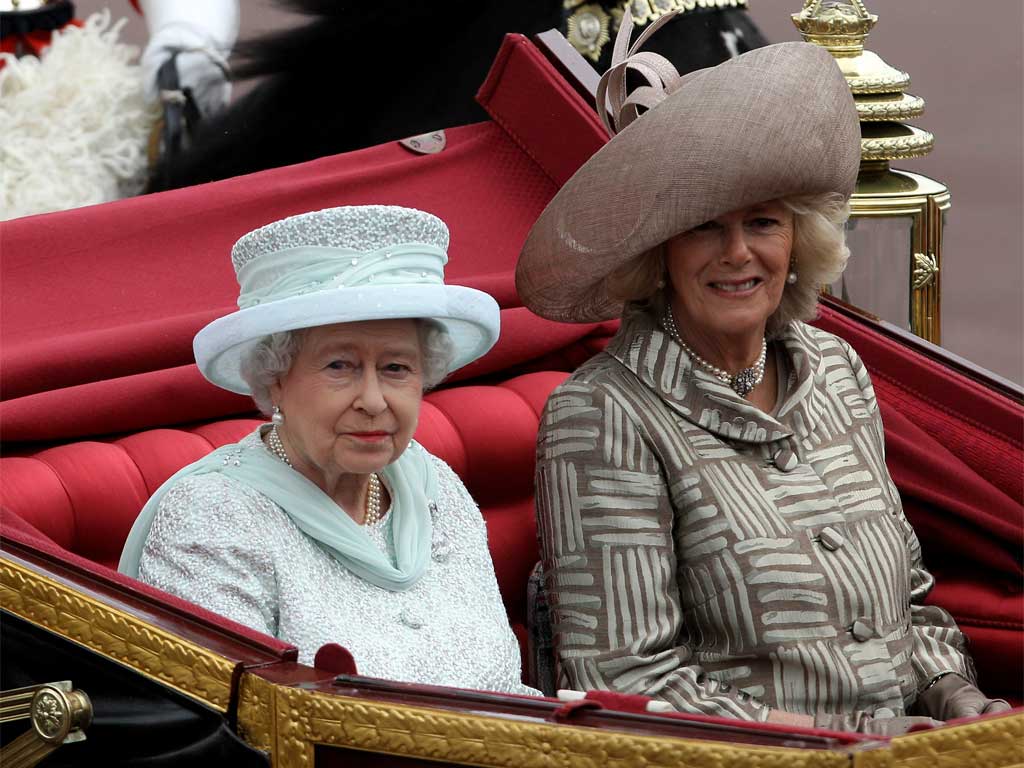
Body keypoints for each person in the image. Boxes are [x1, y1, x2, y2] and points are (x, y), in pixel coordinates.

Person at [515, 14, 1009, 733]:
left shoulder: (837, 370)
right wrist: (853, 743)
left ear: (799, 240)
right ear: (657, 254)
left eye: (764, 223)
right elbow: (628, 683)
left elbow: (907, 604)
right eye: (705, 226)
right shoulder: (602, 416)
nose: (738, 253)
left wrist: (952, 694)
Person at [119, 204, 536, 695]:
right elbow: (226, 732)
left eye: (397, 368)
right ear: (274, 380)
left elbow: (509, 692)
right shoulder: (212, 517)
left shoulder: (434, 484)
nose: (374, 401)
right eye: (340, 366)